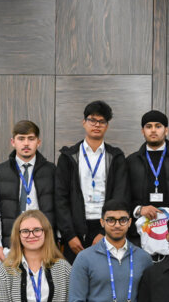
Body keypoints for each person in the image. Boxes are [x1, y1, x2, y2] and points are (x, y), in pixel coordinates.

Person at [55, 100, 130, 262]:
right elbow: (60, 199)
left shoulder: (115, 157)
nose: (96, 125)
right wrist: (70, 235)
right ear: (84, 122)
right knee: (76, 281)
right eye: (92, 120)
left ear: (107, 126)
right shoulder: (68, 157)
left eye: (101, 121)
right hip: (76, 228)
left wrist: (106, 233)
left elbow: (121, 195)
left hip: (106, 226)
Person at [0, 120, 57, 261]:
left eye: (31, 139)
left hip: (43, 244)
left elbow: (59, 208)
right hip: (10, 245)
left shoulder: (51, 171)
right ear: (13, 142)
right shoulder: (0, 172)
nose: (26, 143)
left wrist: (56, 241)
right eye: (21, 139)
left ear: (39, 142)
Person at [127, 110, 169, 241]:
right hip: (141, 232)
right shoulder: (131, 161)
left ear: (166, 130)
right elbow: (124, 197)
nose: (153, 130)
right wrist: (139, 209)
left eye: (158, 126)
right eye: (148, 126)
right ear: (142, 131)